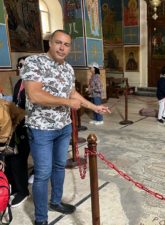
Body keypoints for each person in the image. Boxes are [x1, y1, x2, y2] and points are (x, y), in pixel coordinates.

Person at [21, 30, 110, 225]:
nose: (62, 48)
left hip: (64, 127)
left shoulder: (68, 69)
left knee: (59, 166)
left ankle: (55, 202)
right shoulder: (34, 62)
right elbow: (34, 94)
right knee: (43, 172)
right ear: (50, 43)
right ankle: (41, 219)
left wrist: (95, 106)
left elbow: (73, 94)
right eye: (58, 43)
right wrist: (67, 103)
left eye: (66, 45)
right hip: (41, 127)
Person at [5, 56, 30, 208]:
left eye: (23, 65)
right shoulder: (19, 83)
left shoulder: (32, 84)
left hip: (28, 127)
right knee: (10, 158)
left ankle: (22, 191)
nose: (20, 68)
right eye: (18, 65)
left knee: (18, 159)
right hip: (17, 125)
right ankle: (13, 187)